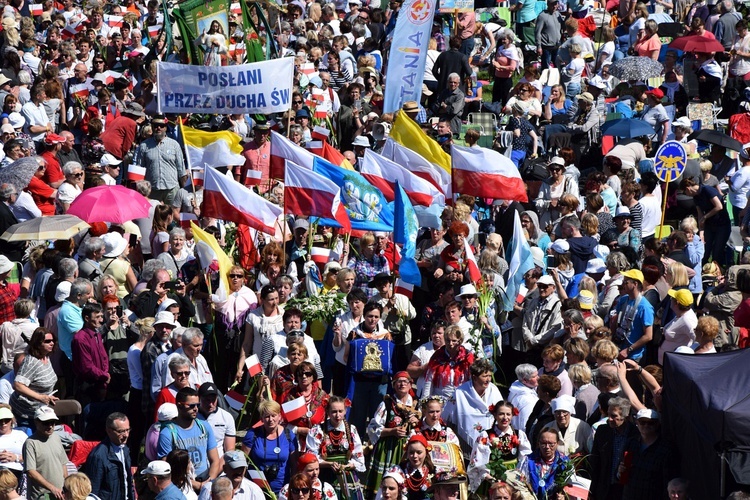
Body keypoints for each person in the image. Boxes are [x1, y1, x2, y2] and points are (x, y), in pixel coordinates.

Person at [365, 371, 420, 496]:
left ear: (410, 385)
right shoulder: (387, 404)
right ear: (394, 385)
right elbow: (372, 428)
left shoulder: (417, 405)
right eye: (398, 382)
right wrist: (392, 431)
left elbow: (423, 429)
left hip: (409, 450)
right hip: (387, 449)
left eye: (405, 381)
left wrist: (417, 422)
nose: (402, 384)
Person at [157, 387, 220, 489]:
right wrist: (196, 485)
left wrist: (209, 482)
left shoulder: (204, 426)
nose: (196, 408)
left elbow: (215, 460)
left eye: (197, 405)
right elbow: (166, 468)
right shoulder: (167, 433)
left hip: (206, 481)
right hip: (182, 485)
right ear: (179, 406)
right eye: (191, 406)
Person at [306, 396, 365, 500]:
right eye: (334, 412)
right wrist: (329, 464)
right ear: (327, 412)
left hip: (347, 475)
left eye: (340, 411)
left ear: (345, 411)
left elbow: (358, 457)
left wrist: (348, 465)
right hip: (325, 474)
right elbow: (312, 458)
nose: (337, 415)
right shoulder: (317, 430)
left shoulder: (351, 430)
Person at [467, 401, 532, 493]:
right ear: (495, 415)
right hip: (490, 478)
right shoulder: (485, 435)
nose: (505, 418)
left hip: (513, 479)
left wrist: (516, 476)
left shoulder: (519, 435)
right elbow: (478, 461)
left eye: (508, 414)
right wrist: (491, 479)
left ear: (512, 415)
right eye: (501, 414)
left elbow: (526, 459)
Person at [444, 358, 503, 450]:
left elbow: (502, 409)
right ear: (474, 378)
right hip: (465, 443)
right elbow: (447, 416)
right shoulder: (460, 392)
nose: (488, 380)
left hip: (490, 441)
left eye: (489, 376)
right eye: (484, 376)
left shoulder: (493, 389)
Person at [242, 400, 298, 494]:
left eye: (273, 415)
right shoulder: (252, 434)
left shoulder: (289, 435)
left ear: (279, 416)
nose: (270, 419)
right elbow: (243, 461)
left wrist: (293, 488)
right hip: (257, 490)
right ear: (261, 418)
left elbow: (294, 466)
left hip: (282, 491)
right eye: (267, 416)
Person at [589, 397, 640, 500]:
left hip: (626, 490)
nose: (609, 419)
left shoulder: (636, 435)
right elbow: (595, 462)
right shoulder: (602, 432)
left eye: (614, 416)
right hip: (605, 489)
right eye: (608, 415)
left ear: (625, 416)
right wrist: (592, 491)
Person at [133, 114, 186, 205]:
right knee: (153, 216)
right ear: (152, 127)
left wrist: (184, 192)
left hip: (172, 189)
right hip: (152, 190)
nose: (158, 128)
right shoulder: (144, 146)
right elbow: (139, 170)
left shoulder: (174, 145)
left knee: (173, 216)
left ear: (166, 128)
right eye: (156, 126)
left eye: (161, 126)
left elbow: (181, 170)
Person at [10, 327, 58, 428]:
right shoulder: (31, 362)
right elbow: (18, 385)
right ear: (38, 343)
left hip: (39, 411)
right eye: (47, 341)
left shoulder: (46, 357)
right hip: (25, 414)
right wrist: (40, 397)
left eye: (53, 340)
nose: (52, 343)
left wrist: (47, 397)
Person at [82, 412, 135, 500]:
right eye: (121, 431)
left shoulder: (124, 449)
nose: (126, 435)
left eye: (127, 430)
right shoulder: (98, 456)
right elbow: (92, 491)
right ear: (109, 431)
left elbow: (128, 481)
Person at [278, 361, 328, 449]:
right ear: (296, 377)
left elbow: (329, 419)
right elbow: (280, 421)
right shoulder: (288, 395)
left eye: (308, 374)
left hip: (318, 441)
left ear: (313, 376)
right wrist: (299, 430)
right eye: (300, 374)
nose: (304, 376)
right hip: (294, 441)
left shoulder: (322, 396)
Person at [23, 405, 69, 500]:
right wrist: (52, 488)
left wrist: (66, 485)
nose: (50, 426)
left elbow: (63, 464)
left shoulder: (56, 438)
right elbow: (31, 472)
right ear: (36, 422)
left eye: (52, 423)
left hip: (59, 494)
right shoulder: (30, 443)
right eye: (46, 423)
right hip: (42, 496)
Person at [515, 427, 573, 499]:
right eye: (543, 443)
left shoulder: (565, 463)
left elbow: (572, 489)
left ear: (557, 443)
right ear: (538, 443)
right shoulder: (527, 461)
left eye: (551, 444)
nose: (547, 447)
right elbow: (518, 485)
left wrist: (564, 496)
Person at [610, 269, 654, 362]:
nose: (623, 285)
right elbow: (615, 319)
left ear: (635, 284)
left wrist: (629, 350)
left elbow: (648, 336)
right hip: (618, 347)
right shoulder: (623, 300)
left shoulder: (645, 307)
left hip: (634, 356)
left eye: (626, 282)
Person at [422, 325, 474, 399]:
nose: (450, 344)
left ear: (460, 341)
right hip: (441, 399)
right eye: (448, 340)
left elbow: (472, 381)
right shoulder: (437, 356)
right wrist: (425, 402)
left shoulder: (467, 357)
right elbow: (429, 381)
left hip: (461, 398)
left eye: (454, 341)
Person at [197, 450, 264, 500]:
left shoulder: (254, 490)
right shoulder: (209, 488)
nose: (238, 471)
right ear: (225, 469)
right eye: (234, 468)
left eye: (241, 468)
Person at [535, 157, 580, 231]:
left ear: (562, 170)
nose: (554, 171)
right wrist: (548, 204)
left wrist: (561, 204)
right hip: (548, 220)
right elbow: (537, 202)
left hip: (566, 220)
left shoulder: (569, 182)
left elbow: (576, 202)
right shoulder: (545, 183)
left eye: (557, 169)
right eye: (552, 169)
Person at [387, 434, 436, 499]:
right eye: (411, 452)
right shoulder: (397, 471)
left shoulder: (433, 471)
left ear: (426, 452)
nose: (415, 456)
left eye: (419, 452)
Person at [658, 289, 698, 364]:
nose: (670, 300)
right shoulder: (680, 314)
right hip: (665, 361)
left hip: (673, 363)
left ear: (677, 303)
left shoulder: (688, 321)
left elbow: (698, 340)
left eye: (672, 298)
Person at [507, 364, 540, 432]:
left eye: (537, 375)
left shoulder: (516, 389)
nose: (538, 378)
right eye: (534, 376)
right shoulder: (527, 400)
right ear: (525, 380)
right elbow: (525, 424)